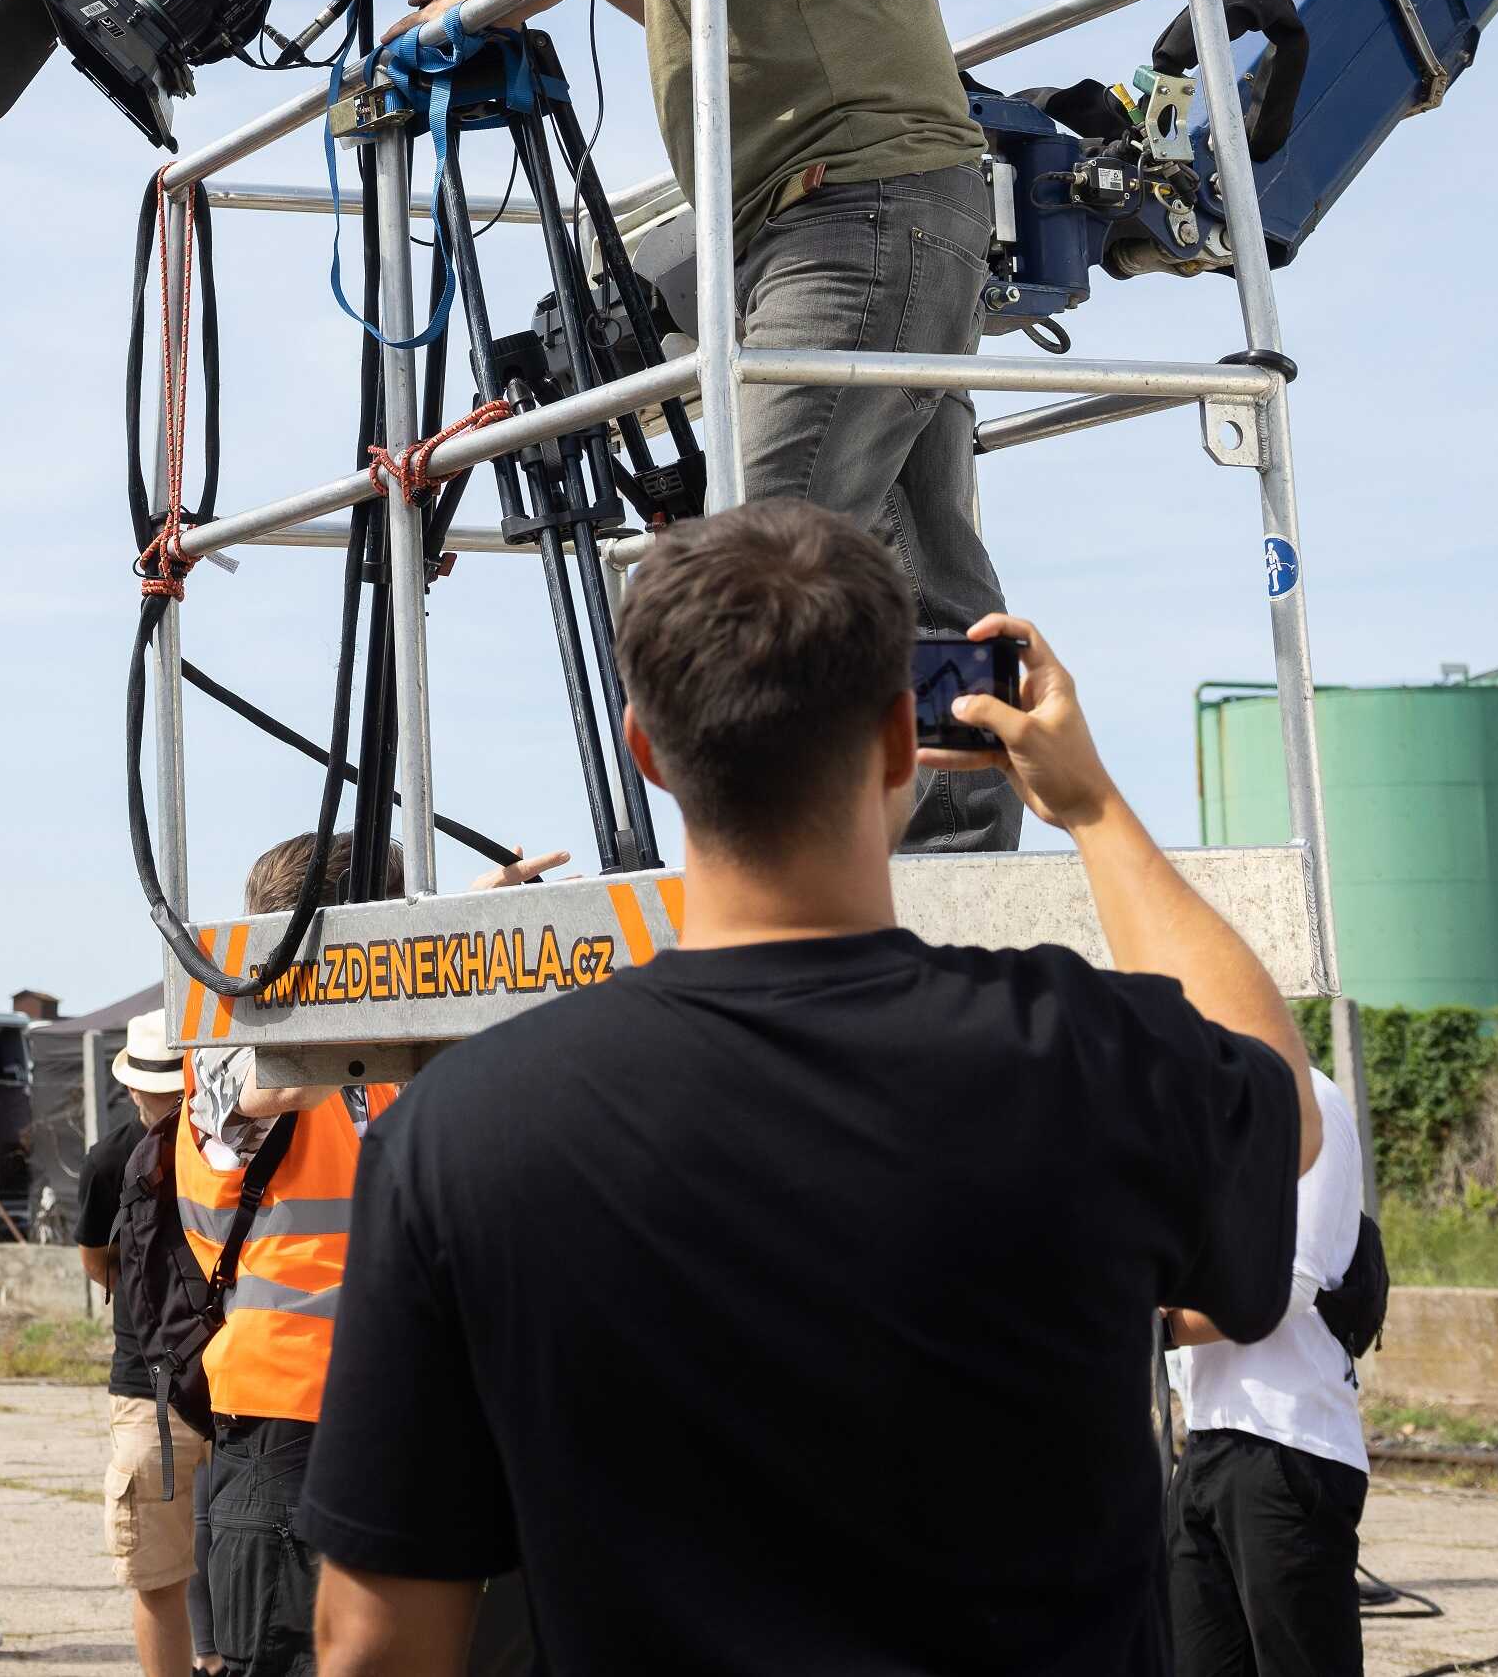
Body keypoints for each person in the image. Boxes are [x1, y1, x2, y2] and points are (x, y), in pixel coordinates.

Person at [298, 501, 1322, 1677]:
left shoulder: (458, 1128)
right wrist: (1088, 805)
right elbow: (1280, 1098)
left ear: (646, 746)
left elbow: (372, 1637)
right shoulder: (1084, 1052)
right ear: (903, 740)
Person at [404, 0, 1020, 851]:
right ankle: (962, 875)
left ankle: (803, 902)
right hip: (849, 209)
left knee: (763, 569)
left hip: (847, 208)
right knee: (913, 573)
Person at [178, 838, 406, 1677]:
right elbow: (272, 1090)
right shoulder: (232, 1046)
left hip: (392, 1397)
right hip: (289, 1412)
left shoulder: (376, 1066)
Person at [1168, 1070, 1373, 1677]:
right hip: (1207, 1437)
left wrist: (1151, 1327)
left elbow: (1286, 1286)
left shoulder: (1301, 1097)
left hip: (1288, 1444)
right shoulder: (1195, 1107)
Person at [76, 1010, 209, 1677]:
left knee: (167, 1574)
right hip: (197, 1382)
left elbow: (98, 1264)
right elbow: (97, 1258)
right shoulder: (232, 1144)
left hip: (158, 1386)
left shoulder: (109, 1159)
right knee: (181, 1569)